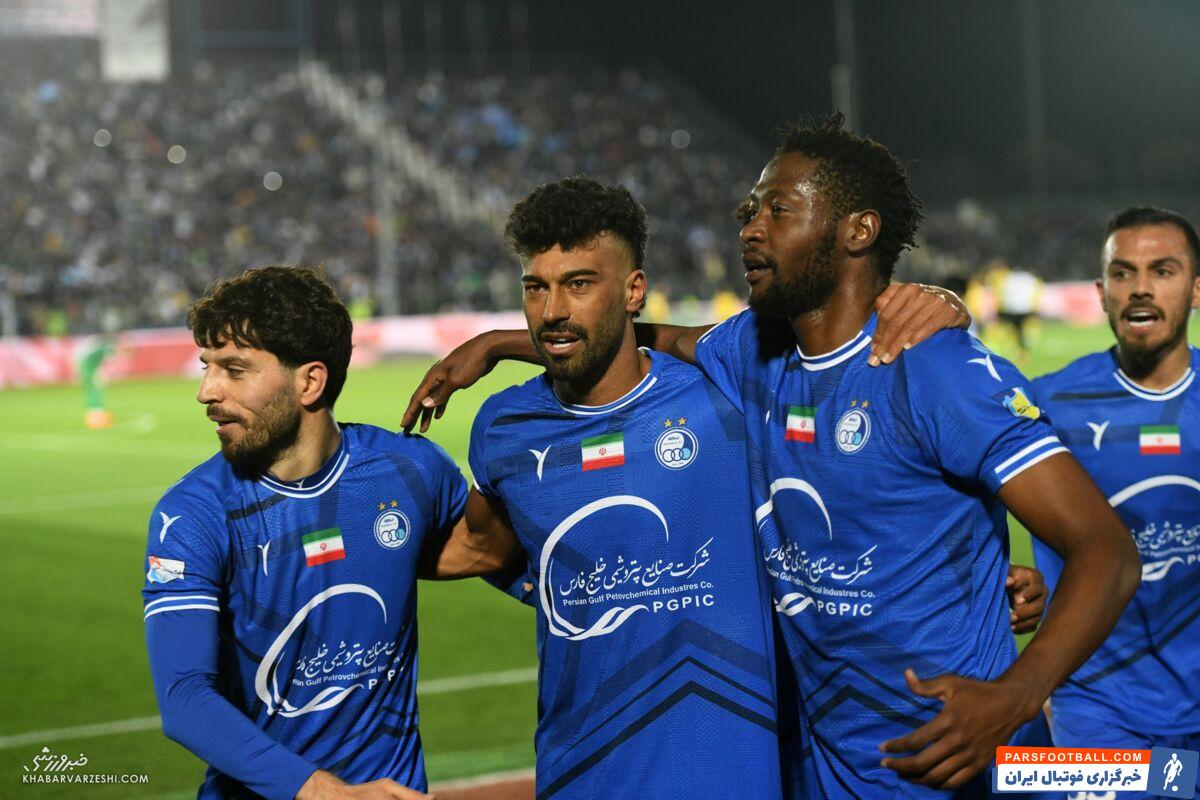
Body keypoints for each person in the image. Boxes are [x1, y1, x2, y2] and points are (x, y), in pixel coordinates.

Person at [403, 117, 1139, 798]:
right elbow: (643, 336)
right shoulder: (752, 355)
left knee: (1159, 778)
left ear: (859, 230)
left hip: (960, 765)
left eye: (778, 210)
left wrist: (1014, 695)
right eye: (749, 211)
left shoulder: (936, 370)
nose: (750, 229)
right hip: (824, 769)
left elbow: (1105, 550)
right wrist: (501, 344)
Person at [142, 266, 518, 800]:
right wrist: (326, 793)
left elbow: (495, 554)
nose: (206, 391)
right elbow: (184, 699)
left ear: (310, 382)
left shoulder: (409, 471)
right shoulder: (193, 514)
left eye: (234, 370)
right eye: (208, 367)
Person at [1030, 207, 1199, 795]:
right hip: (1097, 707)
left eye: (1163, 270)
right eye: (1123, 273)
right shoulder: (1048, 405)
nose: (1141, 288)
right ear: (1102, 293)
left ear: (1196, 290)